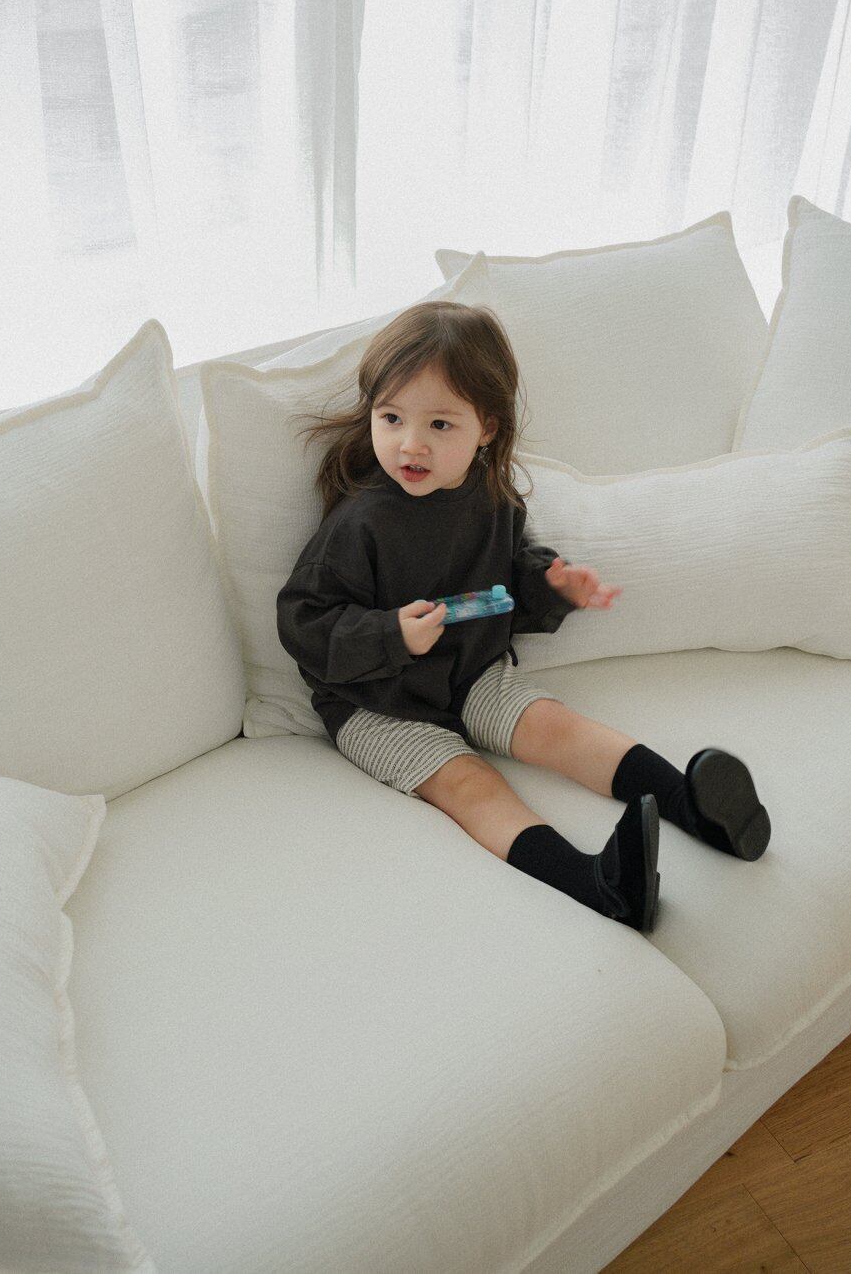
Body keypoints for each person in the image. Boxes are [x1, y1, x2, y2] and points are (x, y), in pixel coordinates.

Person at [276, 300, 771, 933]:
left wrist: (553, 585)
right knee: (470, 785)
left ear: (486, 427)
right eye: (391, 418)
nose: (410, 444)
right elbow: (303, 620)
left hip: (472, 671)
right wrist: (390, 633)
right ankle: (598, 886)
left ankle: (696, 809)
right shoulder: (359, 522)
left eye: (439, 424)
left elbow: (508, 583)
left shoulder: (492, 501)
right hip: (377, 701)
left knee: (557, 727)